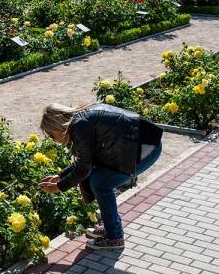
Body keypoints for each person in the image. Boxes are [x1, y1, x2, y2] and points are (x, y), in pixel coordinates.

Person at [38, 103, 163, 250]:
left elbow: (84, 168)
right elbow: (87, 160)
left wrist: (59, 187)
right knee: (99, 181)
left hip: (146, 149)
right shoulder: (82, 119)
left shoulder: (80, 125)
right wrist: (59, 176)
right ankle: (111, 229)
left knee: (100, 184)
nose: (53, 139)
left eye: (51, 134)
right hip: (139, 145)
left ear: (56, 125)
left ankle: (114, 237)